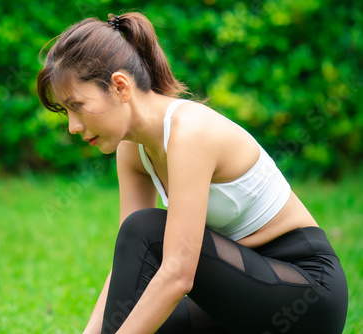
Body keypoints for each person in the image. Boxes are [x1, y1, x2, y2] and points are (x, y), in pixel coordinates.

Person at [37, 12, 348, 334]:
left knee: (145, 230)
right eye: (66, 112)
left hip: (306, 294)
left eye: (77, 105)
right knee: (144, 317)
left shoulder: (190, 132)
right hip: (237, 296)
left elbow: (177, 273)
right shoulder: (132, 149)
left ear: (119, 86)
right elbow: (129, 266)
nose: (73, 127)